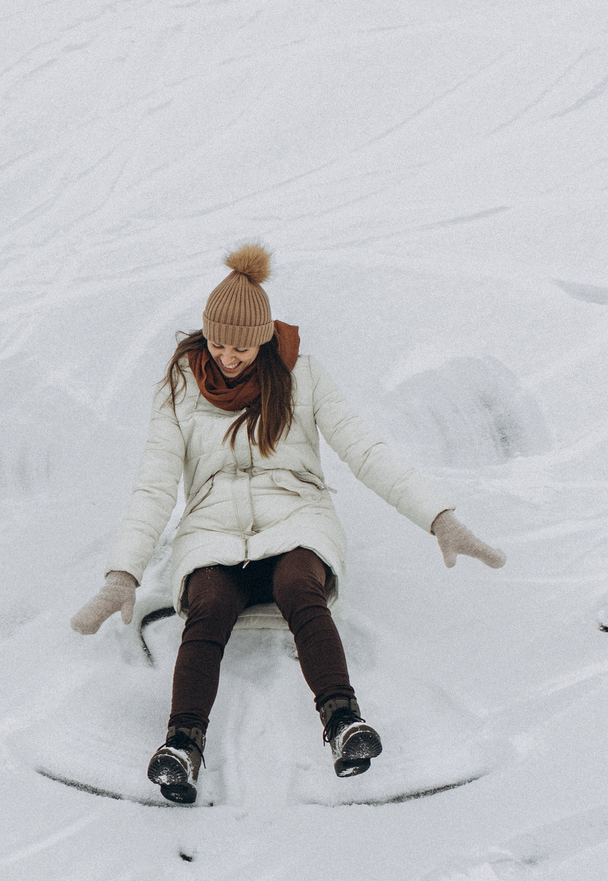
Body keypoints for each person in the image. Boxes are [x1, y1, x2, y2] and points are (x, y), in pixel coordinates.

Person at [71, 244, 506, 803]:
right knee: (206, 607)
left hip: (297, 522)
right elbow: (154, 486)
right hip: (212, 534)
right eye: (219, 343)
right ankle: (182, 745)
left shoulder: (303, 377)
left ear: (264, 337)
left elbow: (366, 451)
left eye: (243, 346)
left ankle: (344, 723)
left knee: (301, 588)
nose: (229, 357)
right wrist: (123, 573)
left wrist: (438, 516)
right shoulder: (180, 388)